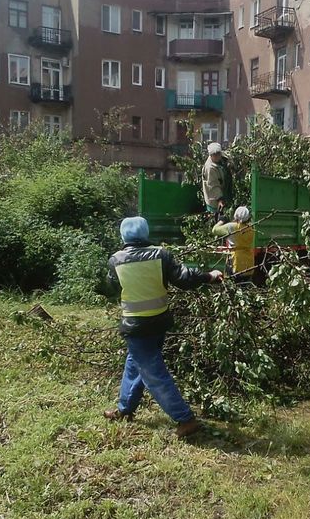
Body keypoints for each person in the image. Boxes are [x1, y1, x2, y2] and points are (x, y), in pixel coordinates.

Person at [104, 216, 224, 437]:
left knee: (153, 373)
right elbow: (184, 278)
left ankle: (185, 419)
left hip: (136, 325)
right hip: (159, 321)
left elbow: (110, 287)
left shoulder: (116, 260)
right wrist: (209, 276)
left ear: (123, 235)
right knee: (135, 364)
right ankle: (125, 409)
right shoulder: (161, 254)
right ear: (145, 232)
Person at [212, 206, 255, 281]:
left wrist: (221, 220)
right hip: (249, 263)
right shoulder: (251, 229)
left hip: (236, 262)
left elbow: (215, 230)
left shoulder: (231, 227)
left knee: (232, 285)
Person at [202, 142, 226, 215]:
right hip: (213, 200)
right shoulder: (210, 168)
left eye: (218, 154)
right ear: (211, 155)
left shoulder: (219, 159)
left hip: (221, 192)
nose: (217, 156)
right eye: (215, 155)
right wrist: (220, 199)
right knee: (217, 217)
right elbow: (213, 185)